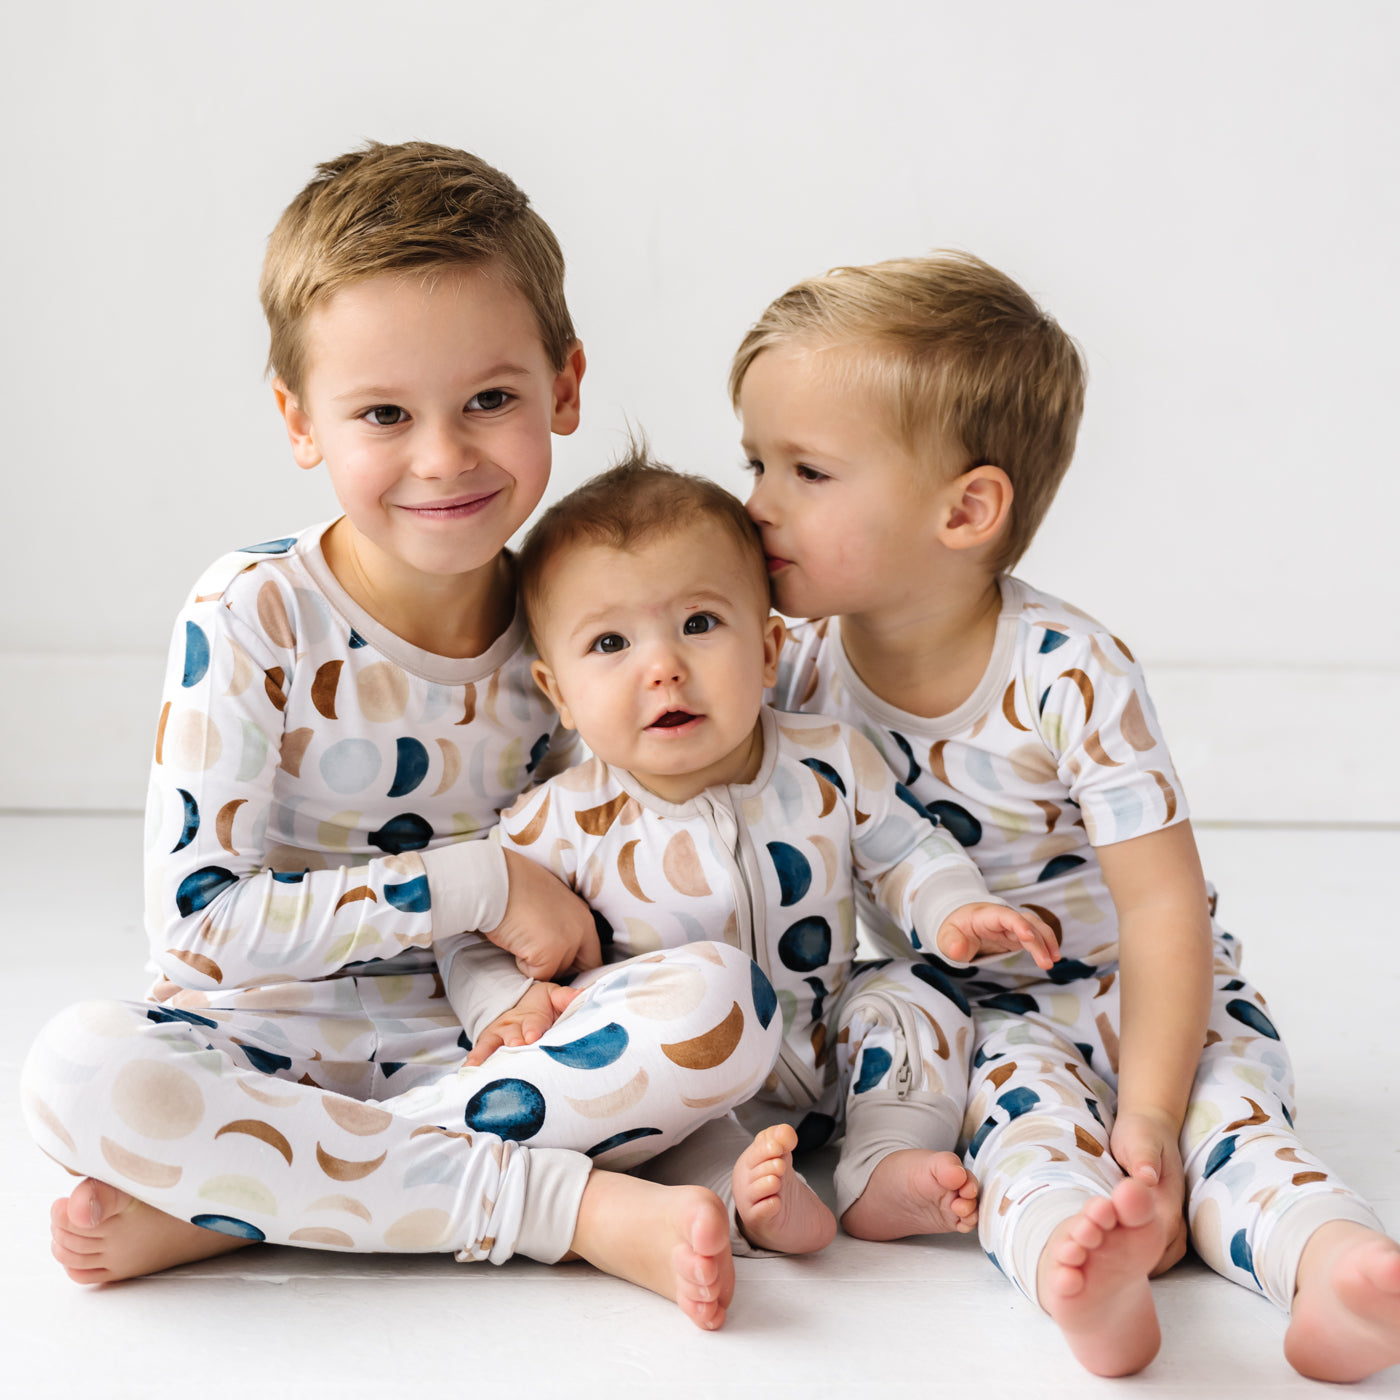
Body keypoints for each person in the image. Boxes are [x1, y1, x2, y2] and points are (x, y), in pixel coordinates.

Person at [21, 141, 783, 1332]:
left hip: (488, 1043)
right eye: (384, 412)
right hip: (257, 1035)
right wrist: (477, 883)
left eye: (489, 399)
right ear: (300, 420)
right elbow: (200, 930)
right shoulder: (252, 611)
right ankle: (563, 1209)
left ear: (564, 386)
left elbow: (606, 856)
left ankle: (243, 1201)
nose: (443, 455)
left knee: (723, 1004)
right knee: (79, 1067)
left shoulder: (578, 627)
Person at [733, 251, 1400, 1380]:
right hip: (979, 1015)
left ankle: (1335, 1263)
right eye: (754, 460)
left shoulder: (1067, 671)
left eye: (806, 470)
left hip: (1152, 994)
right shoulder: (789, 667)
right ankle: (1080, 1279)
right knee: (1022, 1141)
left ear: (965, 509)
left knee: (1229, 1128)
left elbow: (1163, 908)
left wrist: (1150, 1110)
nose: (757, 502)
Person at [436, 456, 1060, 1259]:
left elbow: (906, 847)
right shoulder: (559, 820)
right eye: (611, 642)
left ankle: (883, 1157)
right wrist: (510, 1001)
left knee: (916, 994)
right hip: (692, 1086)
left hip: (828, 1045)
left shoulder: (828, 759)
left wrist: (953, 908)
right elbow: (476, 933)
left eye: (698, 623)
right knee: (638, 1098)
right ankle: (744, 1197)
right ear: (560, 693)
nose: (663, 666)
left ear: (768, 650)